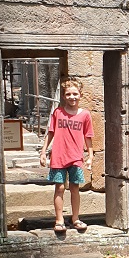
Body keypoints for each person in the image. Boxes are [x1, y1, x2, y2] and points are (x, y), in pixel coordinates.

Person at [39, 77, 93, 233]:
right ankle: (59, 219)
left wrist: (90, 155)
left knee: (75, 187)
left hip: (76, 156)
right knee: (60, 187)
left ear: (80, 95)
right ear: (63, 96)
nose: (72, 97)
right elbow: (51, 132)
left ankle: (75, 218)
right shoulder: (58, 113)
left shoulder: (85, 115)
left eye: (75, 93)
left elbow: (88, 136)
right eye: (68, 94)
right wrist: (43, 152)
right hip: (59, 156)